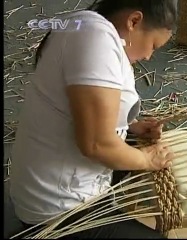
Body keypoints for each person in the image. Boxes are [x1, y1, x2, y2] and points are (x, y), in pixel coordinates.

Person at [9, 0, 177, 238]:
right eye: (153, 45)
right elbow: (95, 143)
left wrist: (131, 127)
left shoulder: (87, 27)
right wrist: (146, 160)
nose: (150, 56)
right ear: (134, 21)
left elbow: (79, 108)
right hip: (56, 209)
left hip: (49, 183)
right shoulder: (95, 37)